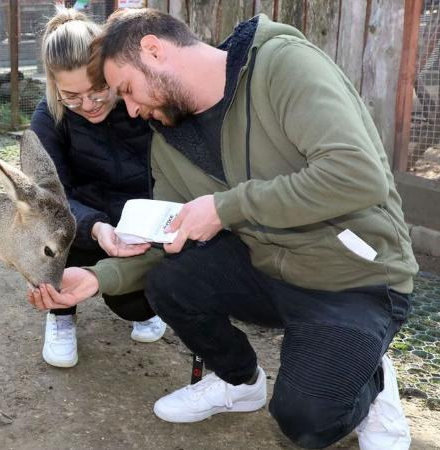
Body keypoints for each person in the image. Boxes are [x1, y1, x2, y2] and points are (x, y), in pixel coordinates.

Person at [29, 8, 417, 450]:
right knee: (171, 280)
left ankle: (373, 377)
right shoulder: (168, 137)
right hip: (269, 268)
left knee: (307, 423)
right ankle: (239, 383)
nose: (131, 110)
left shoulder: (283, 63)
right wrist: (98, 278)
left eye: (126, 91)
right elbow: (169, 237)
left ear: (154, 51)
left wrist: (225, 207)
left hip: (353, 277)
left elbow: (357, 176)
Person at [29, 7, 166, 368]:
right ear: (53, 86)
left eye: (98, 90)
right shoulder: (48, 118)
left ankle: (142, 305)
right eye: (71, 97)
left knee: (132, 304)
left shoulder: (145, 101)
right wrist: (95, 227)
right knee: (45, 232)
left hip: (139, 225)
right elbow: (50, 198)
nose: (88, 105)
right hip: (84, 226)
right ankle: (60, 314)